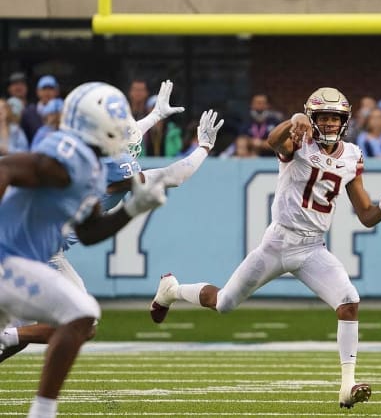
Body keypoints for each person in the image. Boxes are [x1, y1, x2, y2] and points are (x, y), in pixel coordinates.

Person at [149, 87, 381, 409]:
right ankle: (172, 290)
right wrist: (295, 119)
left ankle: (347, 386)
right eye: (324, 118)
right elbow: (273, 142)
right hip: (277, 243)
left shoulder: (351, 156)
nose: (330, 124)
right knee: (223, 303)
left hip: (312, 249)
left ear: (344, 121)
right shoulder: (299, 138)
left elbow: (366, 216)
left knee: (348, 301)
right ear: (313, 118)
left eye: (335, 118)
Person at [0, 81, 224, 363]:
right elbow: (173, 175)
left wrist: (154, 116)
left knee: (22, 330)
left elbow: (121, 140)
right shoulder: (114, 172)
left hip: (30, 243)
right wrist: (203, 147)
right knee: (81, 323)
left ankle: (8, 338)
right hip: (35, 251)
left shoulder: (84, 153)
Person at [0, 82, 167, 418]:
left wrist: (133, 210)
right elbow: (5, 168)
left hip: (25, 261)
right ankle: (43, 412)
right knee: (79, 313)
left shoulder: (91, 167)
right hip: (8, 256)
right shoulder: (68, 154)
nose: (123, 134)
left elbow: (89, 232)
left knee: (81, 316)